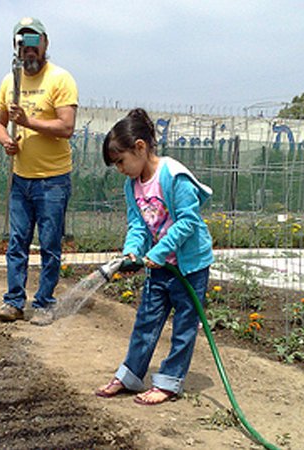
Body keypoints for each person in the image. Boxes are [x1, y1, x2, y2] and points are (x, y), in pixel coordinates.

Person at [95, 108, 214, 405]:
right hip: (159, 266)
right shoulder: (131, 185)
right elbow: (137, 224)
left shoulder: (173, 176)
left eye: (121, 161)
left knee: (184, 326)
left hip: (189, 266)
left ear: (140, 147)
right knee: (146, 321)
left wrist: (159, 252)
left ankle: (170, 382)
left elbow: (188, 222)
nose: (120, 169)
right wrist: (132, 251)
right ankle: (131, 375)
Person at [0, 17, 78, 326]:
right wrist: (5, 140)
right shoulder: (9, 82)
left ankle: (44, 303)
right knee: (17, 242)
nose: (28, 51)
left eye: (33, 43)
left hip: (52, 180)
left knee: (50, 244)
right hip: (20, 179)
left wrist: (28, 122)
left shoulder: (60, 79)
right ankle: (14, 302)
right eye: (22, 44)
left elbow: (66, 126)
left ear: (45, 44)